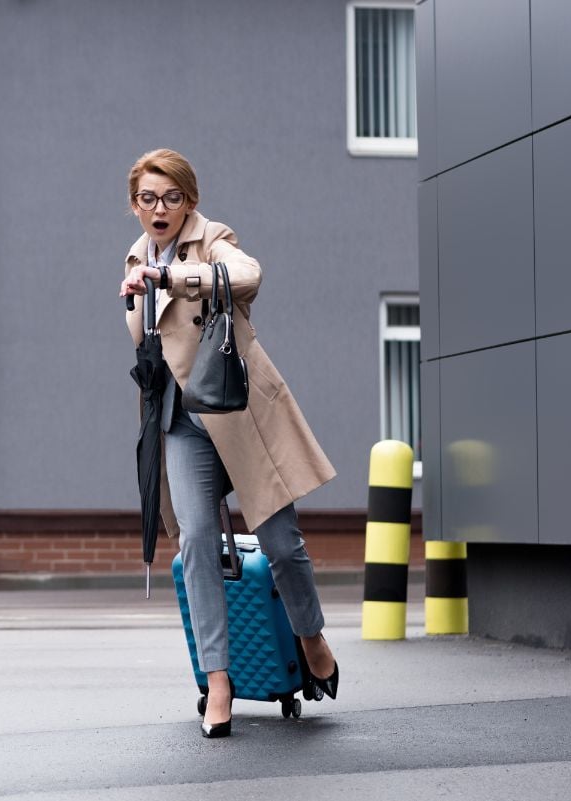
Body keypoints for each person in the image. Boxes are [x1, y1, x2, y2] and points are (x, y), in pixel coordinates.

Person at [120, 148, 339, 738]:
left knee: (281, 544)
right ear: (134, 204)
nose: (158, 208)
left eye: (171, 197)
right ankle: (218, 680)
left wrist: (170, 277)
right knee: (197, 544)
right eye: (147, 198)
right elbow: (149, 347)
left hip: (238, 413)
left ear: (188, 200)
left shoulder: (212, 238)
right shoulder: (135, 255)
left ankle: (311, 636)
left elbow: (249, 275)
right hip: (182, 419)